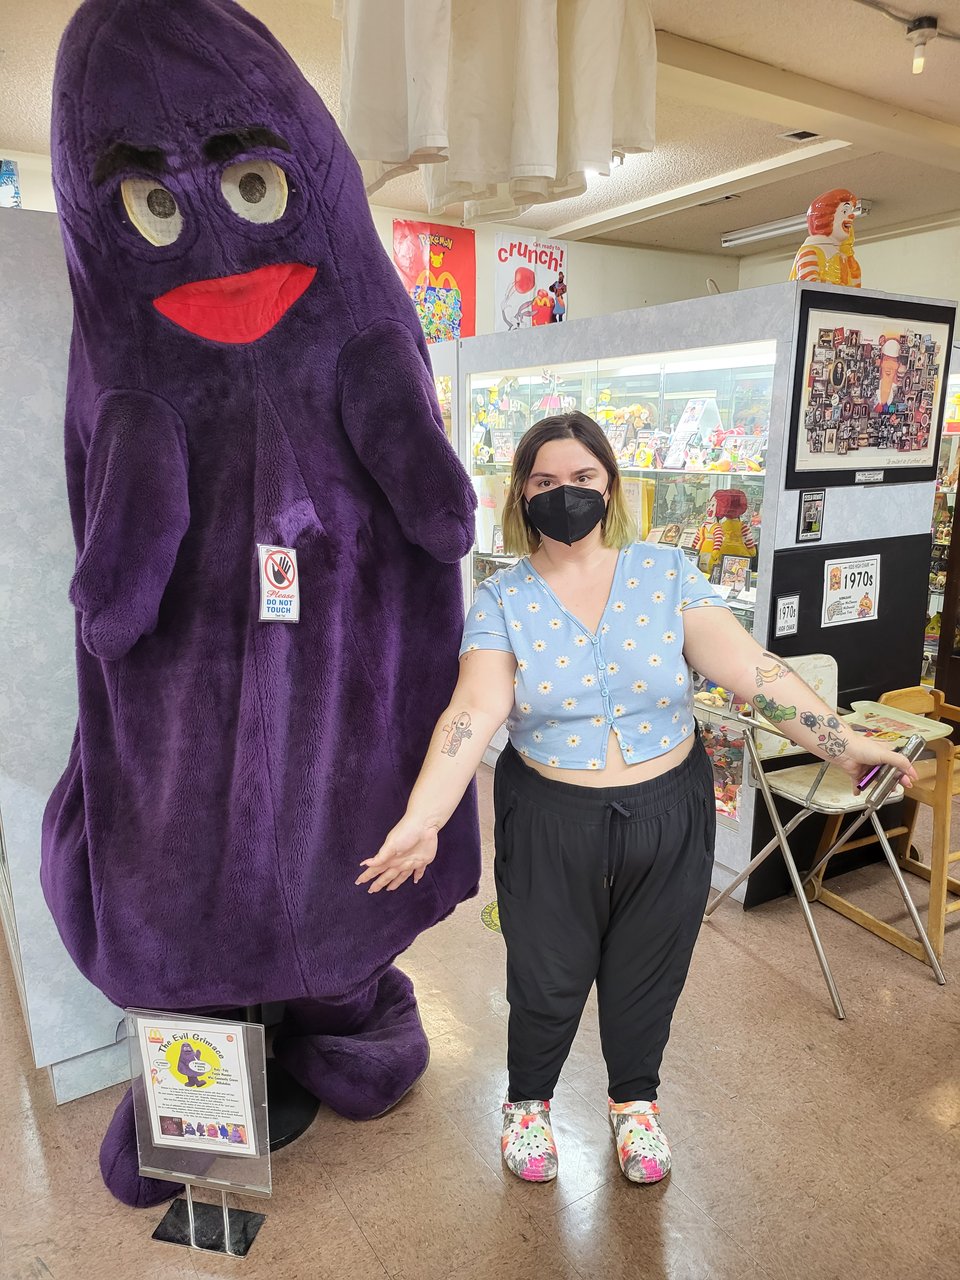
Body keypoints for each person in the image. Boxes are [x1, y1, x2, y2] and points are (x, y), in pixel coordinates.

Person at [357, 411, 914, 1186]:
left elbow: (756, 674)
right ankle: (527, 1104)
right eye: (545, 482)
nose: (565, 495)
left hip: (669, 809)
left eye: (582, 479)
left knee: (649, 969)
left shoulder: (665, 573)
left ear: (609, 485)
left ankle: (634, 1105)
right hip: (551, 818)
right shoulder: (503, 599)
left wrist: (843, 740)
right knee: (547, 975)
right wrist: (423, 819)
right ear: (522, 495)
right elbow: (471, 712)